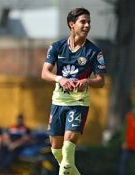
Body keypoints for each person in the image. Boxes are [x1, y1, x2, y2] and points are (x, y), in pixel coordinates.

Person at [41, 7, 107, 175]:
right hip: (58, 101)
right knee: (56, 149)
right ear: (72, 24)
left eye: (88, 22)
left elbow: (101, 81)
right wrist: (60, 79)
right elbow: (45, 73)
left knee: (68, 147)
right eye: (83, 22)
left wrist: (87, 81)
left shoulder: (94, 52)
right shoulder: (57, 47)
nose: (87, 26)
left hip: (78, 103)